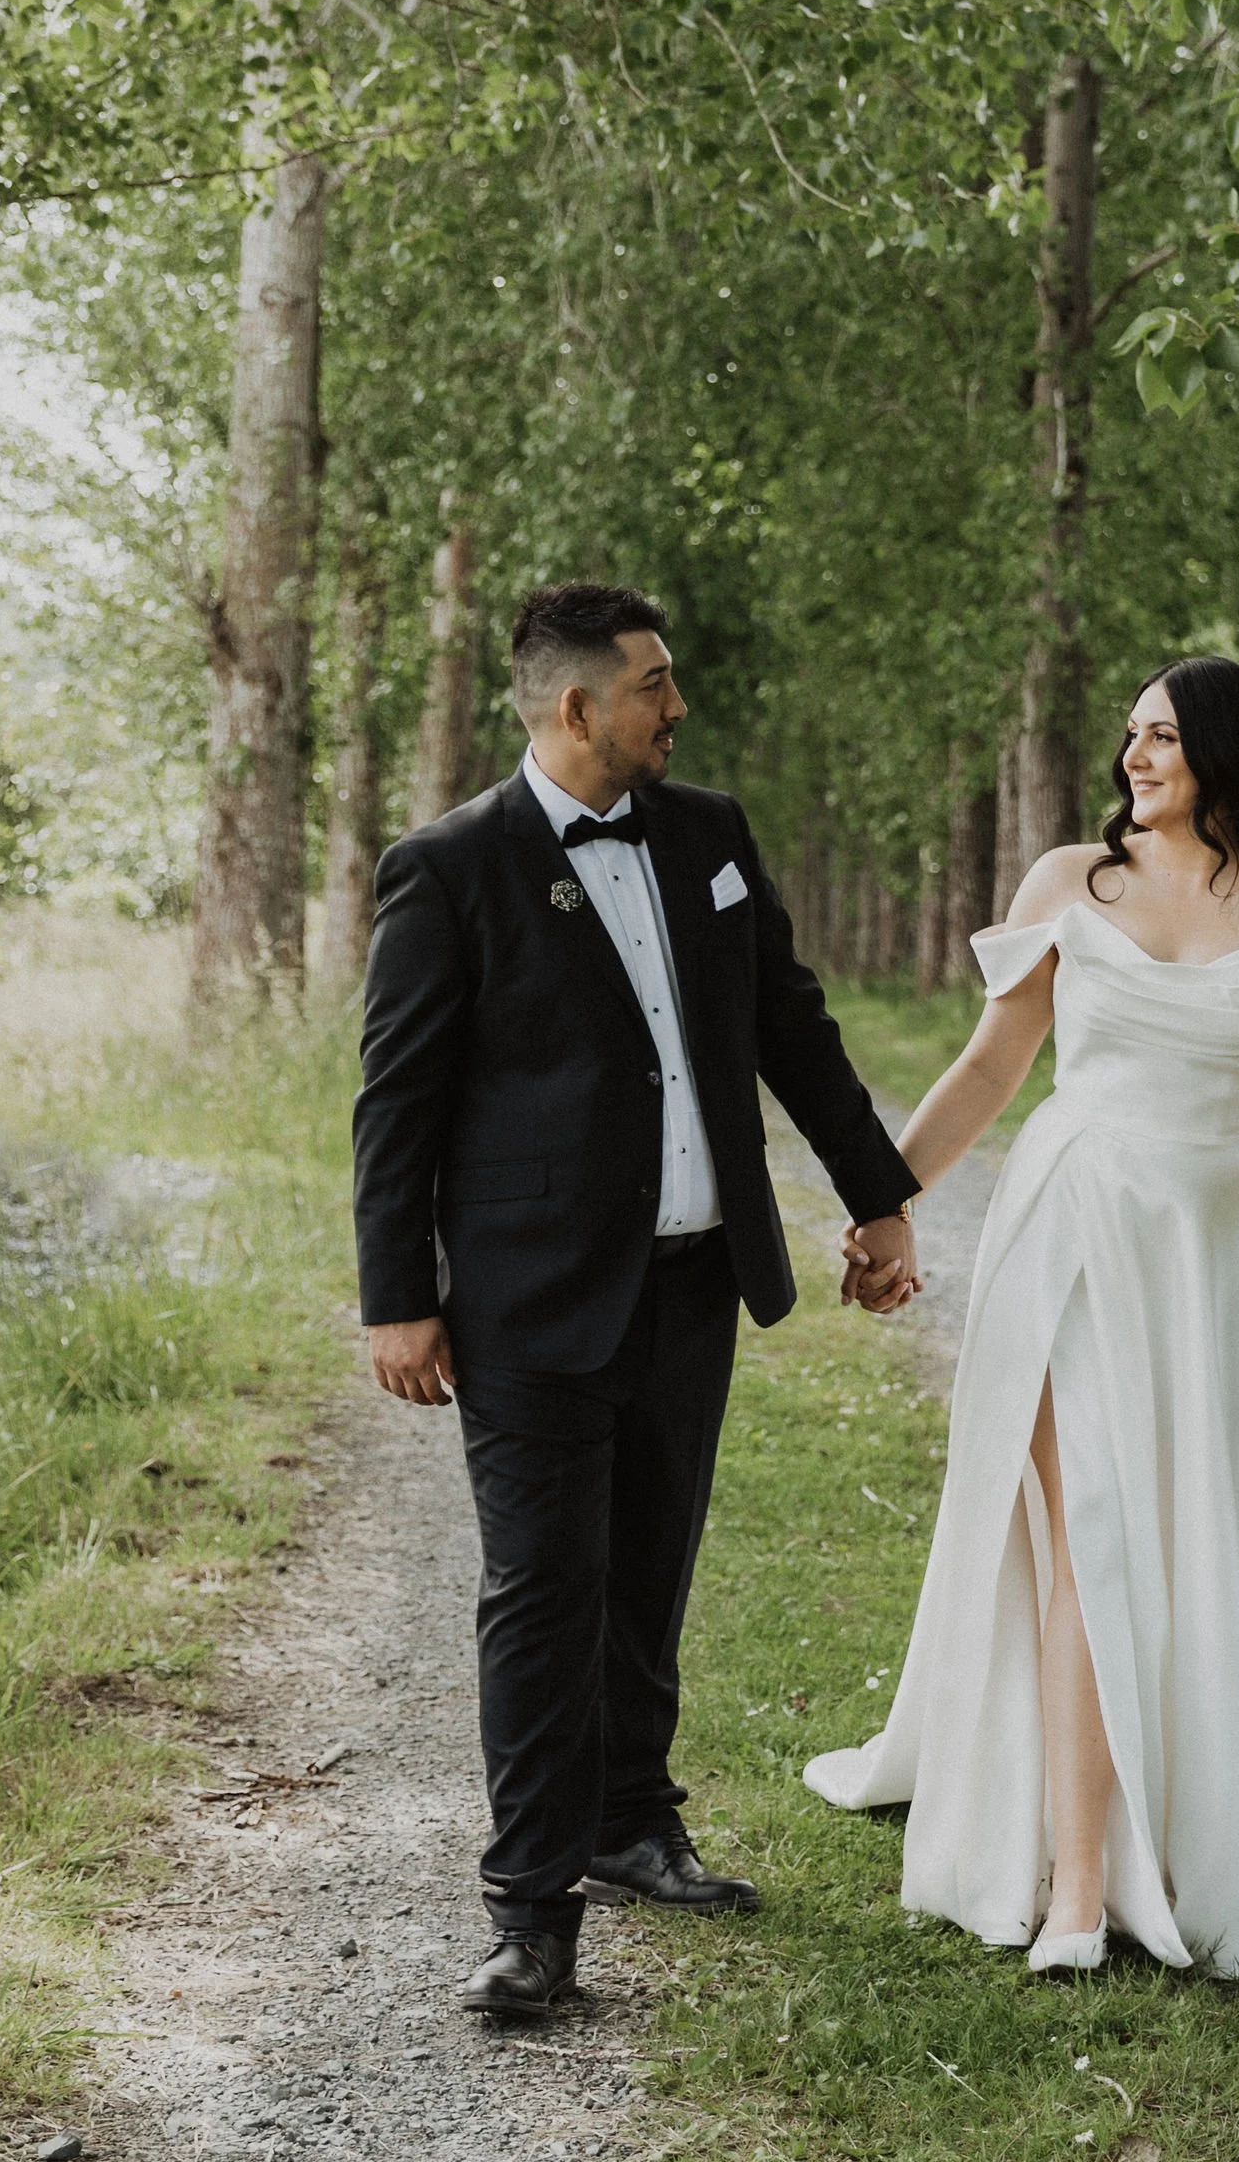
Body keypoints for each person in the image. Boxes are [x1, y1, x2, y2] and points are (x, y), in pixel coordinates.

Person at [811, 656, 1239, 1976]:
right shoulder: (1073, 884)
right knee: (1094, 1534)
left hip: (1229, 1255)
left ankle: (1225, 1815)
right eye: (1130, 736)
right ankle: (1077, 1886)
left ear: (1228, 752)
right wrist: (882, 1200)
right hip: (1076, 1228)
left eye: (1165, 737)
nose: (1136, 758)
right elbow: (992, 1064)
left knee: (1213, 1535)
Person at [353, 582, 919, 2018]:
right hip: (527, 1299)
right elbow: (396, 1105)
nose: (678, 707)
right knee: (543, 1596)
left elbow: (790, 1025)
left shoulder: (710, 836)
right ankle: (531, 1915)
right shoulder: (449, 868)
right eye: (656, 685)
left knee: (650, 1570)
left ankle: (632, 1823)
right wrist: (395, 1298)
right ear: (577, 707)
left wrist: (879, 1189)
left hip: (690, 1285)